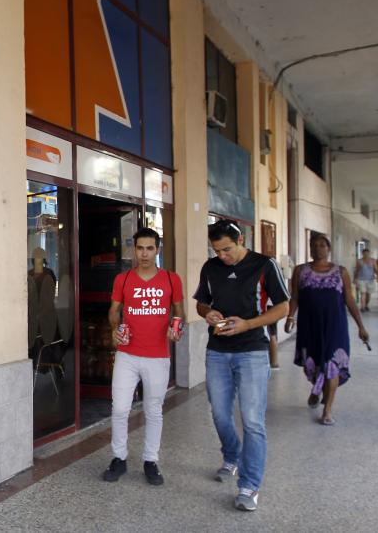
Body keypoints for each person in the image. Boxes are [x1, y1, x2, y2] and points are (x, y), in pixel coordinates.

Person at [194, 219, 289, 512]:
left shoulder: (264, 265)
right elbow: (201, 303)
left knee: (252, 421)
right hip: (218, 352)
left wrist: (248, 323)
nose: (223, 256)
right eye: (217, 250)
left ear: (241, 240)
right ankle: (231, 456)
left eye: (227, 249)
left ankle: (249, 486)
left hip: (252, 352)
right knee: (221, 415)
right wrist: (209, 313)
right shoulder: (210, 268)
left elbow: (283, 306)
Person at [103, 227, 184, 486]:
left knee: (153, 410)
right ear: (134, 250)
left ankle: (150, 460)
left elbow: (178, 312)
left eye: (150, 248)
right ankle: (119, 458)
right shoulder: (123, 279)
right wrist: (115, 329)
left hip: (158, 355)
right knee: (120, 409)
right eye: (140, 248)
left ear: (157, 250)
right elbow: (114, 310)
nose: (145, 253)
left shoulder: (172, 279)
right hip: (127, 354)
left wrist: (176, 329)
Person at [284, 235, 369, 426]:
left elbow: (349, 300)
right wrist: (290, 317)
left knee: (331, 364)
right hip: (309, 326)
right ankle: (316, 388)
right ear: (309, 249)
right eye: (314, 245)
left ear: (328, 248)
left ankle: (327, 410)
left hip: (335, 326)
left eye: (322, 245)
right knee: (313, 364)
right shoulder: (301, 271)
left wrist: (361, 327)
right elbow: (295, 297)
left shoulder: (341, 272)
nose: (318, 248)